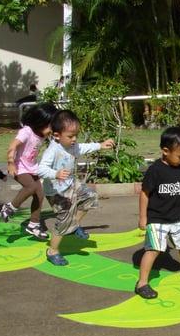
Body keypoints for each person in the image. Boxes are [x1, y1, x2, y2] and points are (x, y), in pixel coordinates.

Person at [135, 126, 180, 299]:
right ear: (165, 151)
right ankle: (142, 283)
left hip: (177, 217)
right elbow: (144, 194)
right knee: (153, 250)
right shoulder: (155, 171)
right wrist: (143, 217)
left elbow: (179, 189)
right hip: (157, 219)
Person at [37, 110, 114, 265]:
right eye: (70, 136)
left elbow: (83, 148)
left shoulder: (72, 145)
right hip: (56, 191)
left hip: (72, 184)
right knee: (64, 218)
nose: (74, 140)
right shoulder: (53, 150)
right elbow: (40, 169)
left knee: (90, 197)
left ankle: (74, 226)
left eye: (76, 135)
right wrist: (55, 173)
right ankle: (52, 251)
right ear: (57, 135)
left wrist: (100, 145)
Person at [0, 103, 57, 239]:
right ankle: (10, 207)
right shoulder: (27, 131)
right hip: (18, 167)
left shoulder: (41, 134)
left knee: (39, 193)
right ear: (41, 121)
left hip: (31, 168)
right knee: (31, 187)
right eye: (50, 125)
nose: (51, 129)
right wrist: (10, 162)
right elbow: (12, 146)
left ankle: (33, 224)